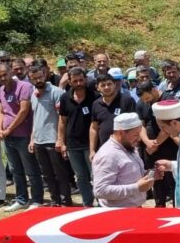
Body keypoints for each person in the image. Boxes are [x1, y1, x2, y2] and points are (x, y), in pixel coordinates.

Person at [0, 62, 43, 211]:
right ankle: (21, 199)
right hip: (8, 137)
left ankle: (37, 199)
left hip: (23, 135)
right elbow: (0, 111)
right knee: (15, 170)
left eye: (5, 74)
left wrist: (8, 129)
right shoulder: (1, 90)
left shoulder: (24, 86)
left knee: (31, 169)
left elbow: (24, 110)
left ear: (10, 72)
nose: (3, 78)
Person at [28, 63, 71, 207]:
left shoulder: (57, 92)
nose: (38, 80)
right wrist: (32, 139)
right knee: (47, 175)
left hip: (53, 140)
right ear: (30, 79)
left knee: (60, 174)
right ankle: (55, 201)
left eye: (40, 77)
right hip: (39, 141)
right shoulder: (33, 94)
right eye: (34, 78)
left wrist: (60, 139)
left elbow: (62, 118)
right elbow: (36, 117)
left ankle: (65, 201)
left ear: (45, 75)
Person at [92, 113, 157, 208]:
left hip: (134, 209)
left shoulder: (128, 146)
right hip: (117, 214)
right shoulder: (108, 155)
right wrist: (137, 187)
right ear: (121, 133)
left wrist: (150, 174)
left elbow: (128, 174)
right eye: (136, 134)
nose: (139, 139)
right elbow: (100, 191)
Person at [57, 67, 96, 207]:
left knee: (95, 175)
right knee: (80, 176)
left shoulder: (94, 97)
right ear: (70, 82)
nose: (79, 83)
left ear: (85, 79)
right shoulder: (65, 98)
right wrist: (61, 141)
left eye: (81, 80)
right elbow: (62, 121)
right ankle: (87, 203)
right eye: (75, 81)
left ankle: (101, 202)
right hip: (73, 145)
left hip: (91, 144)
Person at [90, 72, 137, 159]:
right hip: (104, 151)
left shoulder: (127, 100)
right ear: (97, 87)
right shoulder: (96, 104)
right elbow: (94, 128)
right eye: (103, 85)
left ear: (114, 84)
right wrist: (92, 150)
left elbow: (136, 125)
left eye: (109, 84)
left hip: (126, 150)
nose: (106, 87)